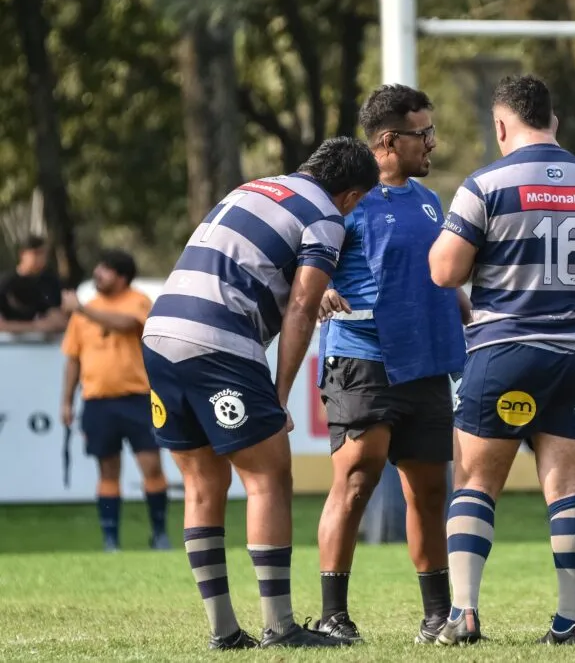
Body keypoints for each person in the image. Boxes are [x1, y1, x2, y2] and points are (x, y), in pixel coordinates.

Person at [428, 73, 575, 646]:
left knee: (475, 481)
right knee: (570, 485)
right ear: (555, 122)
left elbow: (445, 272)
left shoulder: (486, 185)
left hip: (505, 350)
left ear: (501, 124)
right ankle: (569, 623)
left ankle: (464, 614)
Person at [141, 137, 380, 650]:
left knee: (204, 483)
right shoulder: (325, 215)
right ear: (351, 195)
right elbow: (302, 307)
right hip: (218, 339)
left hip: (160, 332)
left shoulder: (252, 188)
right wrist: (280, 392)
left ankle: (224, 632)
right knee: (269, 475)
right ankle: (281, 626)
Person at [312, 84, 469, 645]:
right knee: (356, 480)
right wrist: (323, 288)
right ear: (388, 139)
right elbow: (306, 261)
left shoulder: (430, 200)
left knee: (429, 491)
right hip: (362, 356)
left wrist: (463, 308)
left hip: (425, 360)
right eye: (422, 133)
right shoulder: (343, 196)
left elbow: (437, 270)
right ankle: (333, 614)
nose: (432, 142)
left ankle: (438, 617)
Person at [59, 249, 169, 552]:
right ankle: (111, 540)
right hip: (97, 402)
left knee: (151, 466)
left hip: (136, 399)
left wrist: (81, 309)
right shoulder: (85, 312)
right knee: (107, 471)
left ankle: (159, 534)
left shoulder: (137, 300)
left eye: (105, 269)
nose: (98, 273)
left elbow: (126, 324)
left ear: (121, 277)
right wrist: (67, 401)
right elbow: (72, 359)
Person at [0, 235, 66, 334]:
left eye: (44, 254)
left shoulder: (51, 282)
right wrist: (35, 326)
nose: (41, 258)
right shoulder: (5, 283)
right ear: (23, 254)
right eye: (36, 253)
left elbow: (60, 320)